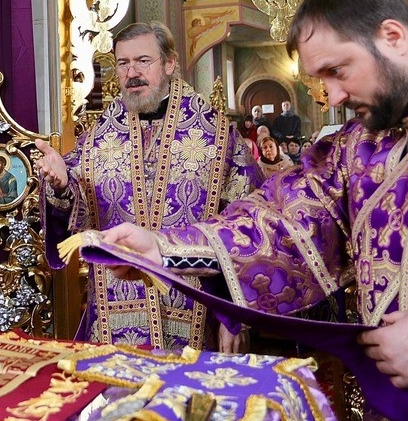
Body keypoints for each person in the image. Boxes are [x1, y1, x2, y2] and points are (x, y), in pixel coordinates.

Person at [100, 0, 408, 421]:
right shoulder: (362, 140)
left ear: (392, 36)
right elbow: (284, 219)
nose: (334, 96)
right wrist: (163, 248)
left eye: (336, 71)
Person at [35, 21, 257, 351]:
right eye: (123, 63)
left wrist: (233, 316)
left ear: (169, 63)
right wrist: (61, 184)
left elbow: (243, 227)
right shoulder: (100, 135)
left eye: (143, 61)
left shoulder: (217, 134)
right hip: (114, 310)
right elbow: (77, 198)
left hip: (194, 309)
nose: (132, 73)